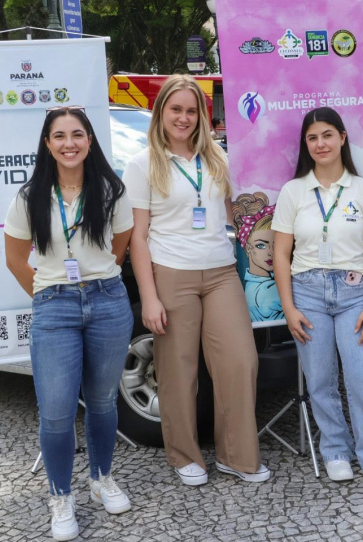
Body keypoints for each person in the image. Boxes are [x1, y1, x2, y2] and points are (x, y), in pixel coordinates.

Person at [123, 75, 270, 487]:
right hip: (171, 273)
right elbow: (137, 236)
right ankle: (184, 455)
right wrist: (149, 297)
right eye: (176, 110)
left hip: (221, 272)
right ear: (162, 113)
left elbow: (236, 215)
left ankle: (237, 456)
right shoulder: (142, 164)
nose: (184, 118)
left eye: (191, 111)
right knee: (177, 369)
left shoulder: (217, 157)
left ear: (202, 116)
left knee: (241, 362)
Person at [4, 106, 134, 541]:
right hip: (54, 308)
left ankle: (101, 479)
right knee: (56, 412)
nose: (69, 143)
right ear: (47, 144)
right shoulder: (29, 197)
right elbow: (14, 259)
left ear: (90, 140)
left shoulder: (111, 191)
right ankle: (61, 496)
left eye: (77, 134)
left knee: (102, 401)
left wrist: (90, 285)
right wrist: (48, 296)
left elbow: (118, 250)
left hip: (108, 301)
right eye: (59, 136)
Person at [271, 107, 363, 490]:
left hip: (355, 292)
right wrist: (289, 308)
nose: (320, 143)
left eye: (327, 135)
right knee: (320, 378)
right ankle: (336, 451)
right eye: (312, 137)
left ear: (342, 137)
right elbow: (279, 253)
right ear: (306, 145)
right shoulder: (293, 191)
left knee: (362, 377)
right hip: (307, 292)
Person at [233, 192, 283, 321]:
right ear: (248, 247)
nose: (271, 252)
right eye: (261, 246)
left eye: (275, 244)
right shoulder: (265, 290)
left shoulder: (253, 284)